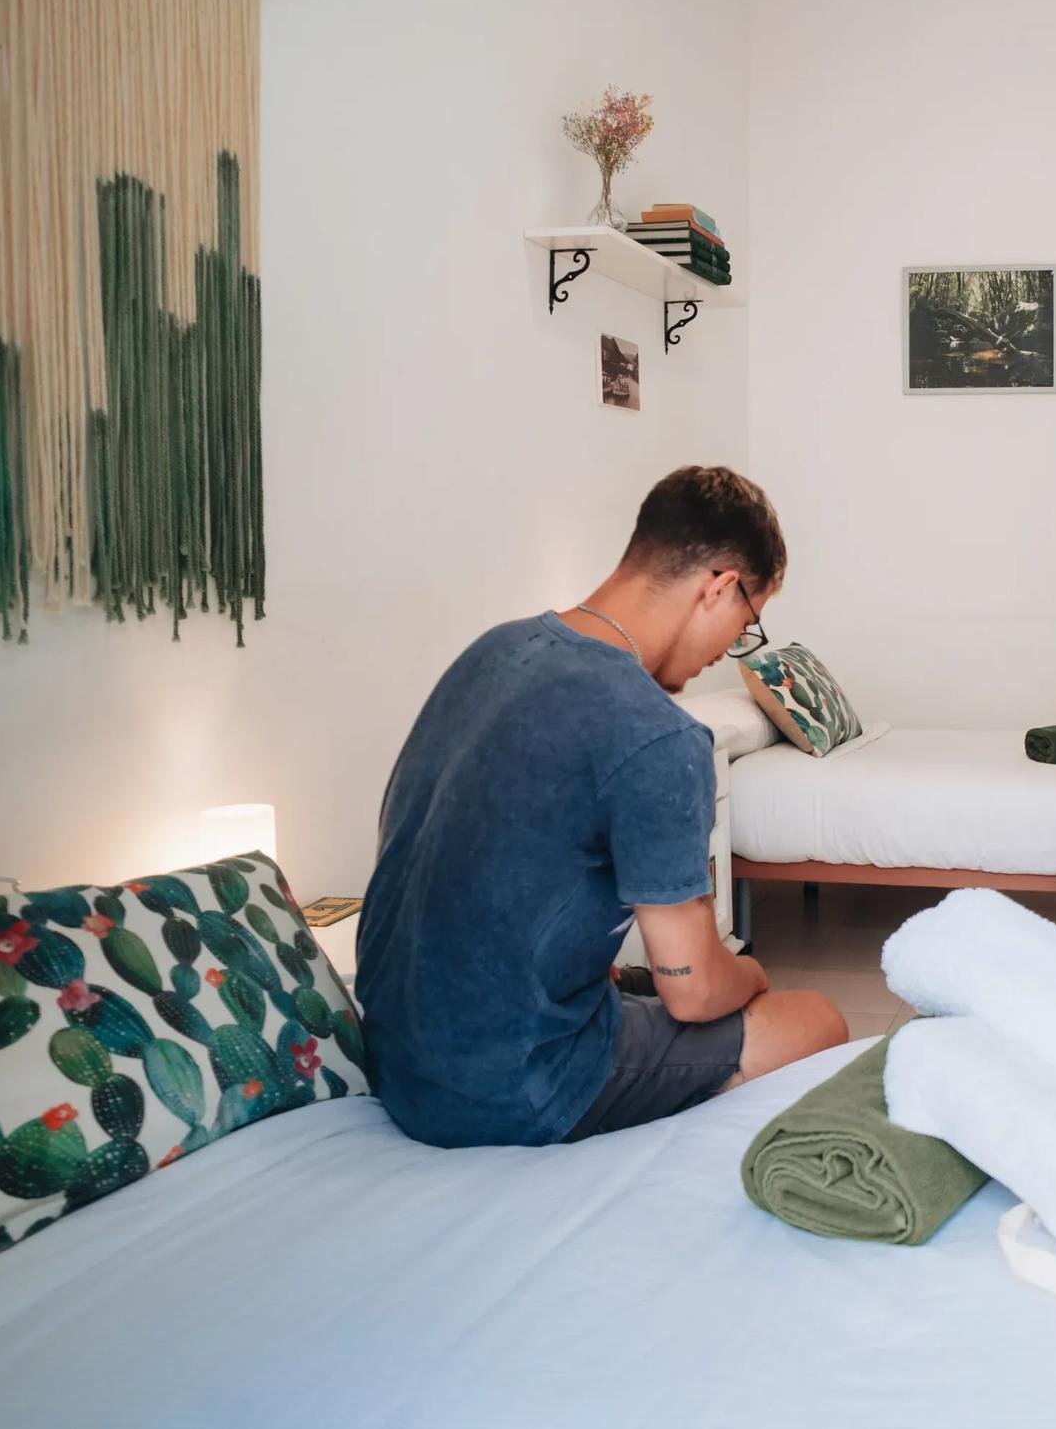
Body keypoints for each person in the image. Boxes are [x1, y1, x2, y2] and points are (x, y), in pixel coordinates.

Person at [358, 466, 847, 1148]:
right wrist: (752, 972)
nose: (726, 653)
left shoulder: (494, 649)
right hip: (505, 1088)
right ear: (721, 586)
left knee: (648, 981)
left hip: (395, 1056)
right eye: (744, 625)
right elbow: (696, 990)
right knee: (813, 1018)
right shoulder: (659, 733)